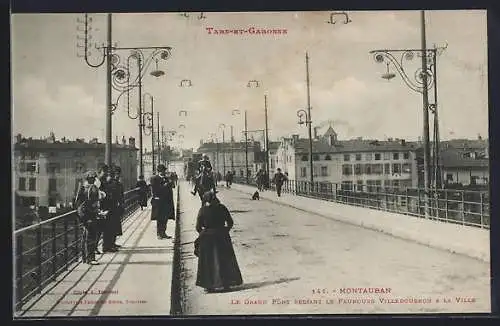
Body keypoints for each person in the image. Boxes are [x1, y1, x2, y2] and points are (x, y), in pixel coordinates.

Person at [195, 191, 243, 293]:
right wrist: (225, 231)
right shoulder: (222, 208)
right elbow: (230, 222)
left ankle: (209, 286)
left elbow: (198, 227)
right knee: (224, 260)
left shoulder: (203, 210)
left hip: (207, 238)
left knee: (208, 261)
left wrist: (204, 233)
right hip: (222, 236)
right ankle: (226, 284)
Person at [76, 171, 108, 265]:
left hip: (83, 215)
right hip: (90, 215)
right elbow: (93, 204)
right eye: (94, 178)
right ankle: (90, 258)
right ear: (92, 179)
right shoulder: (92, 189)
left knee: (85, 236)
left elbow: (77, 202)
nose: (95, 180)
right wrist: (98, 213)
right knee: (91, 236)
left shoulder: (82, 187)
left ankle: (84, 258)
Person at [150, 164, 175, 239]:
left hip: (167, 201)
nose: (163, 172)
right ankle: (159, 234)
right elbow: (155, 189)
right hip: (159, 201)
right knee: (159, 218)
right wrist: (165, 186)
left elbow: (171, 187)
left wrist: (171, 183)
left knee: (165, 217)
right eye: (162, 171)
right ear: (159, 171)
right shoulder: (154, 179)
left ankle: (163, 233)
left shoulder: (167, 178)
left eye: (164, 171)